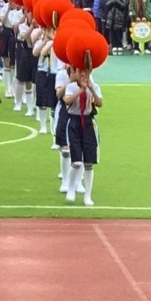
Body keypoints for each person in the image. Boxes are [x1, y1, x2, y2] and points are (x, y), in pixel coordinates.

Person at [62, 65, 102, 207]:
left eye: (86, 72)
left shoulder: (94, 86)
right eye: (80, 72)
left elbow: (99, 103)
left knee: (89, 162)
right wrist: (81, 89)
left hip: (88, 122)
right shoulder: (71, 87)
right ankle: (71, 188)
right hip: (74, 122)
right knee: (76, 162)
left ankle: (88, 195)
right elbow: (67, 101)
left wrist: (90, 89)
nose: (83, 75)